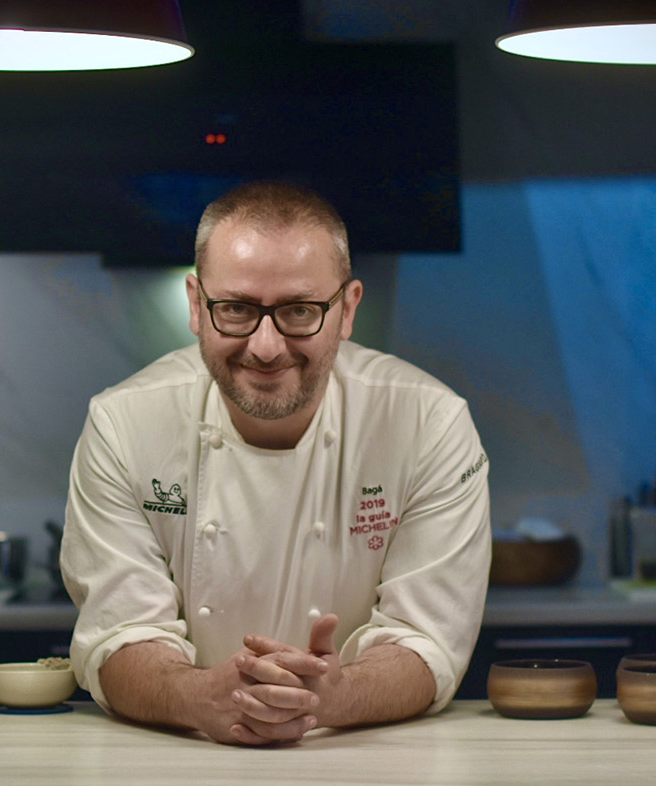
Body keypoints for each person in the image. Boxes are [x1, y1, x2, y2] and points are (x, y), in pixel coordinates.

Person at [61, 181, 491, 745]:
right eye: (236, 309)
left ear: (347, 309)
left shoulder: (427, 424)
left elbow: (427, 640)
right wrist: (201, 697)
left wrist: (331, 697)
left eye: (299, 310)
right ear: (196, 305)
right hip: (184, 757)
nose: (265, 346)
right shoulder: (124, 424)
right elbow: (118, 635)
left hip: (365, 762)